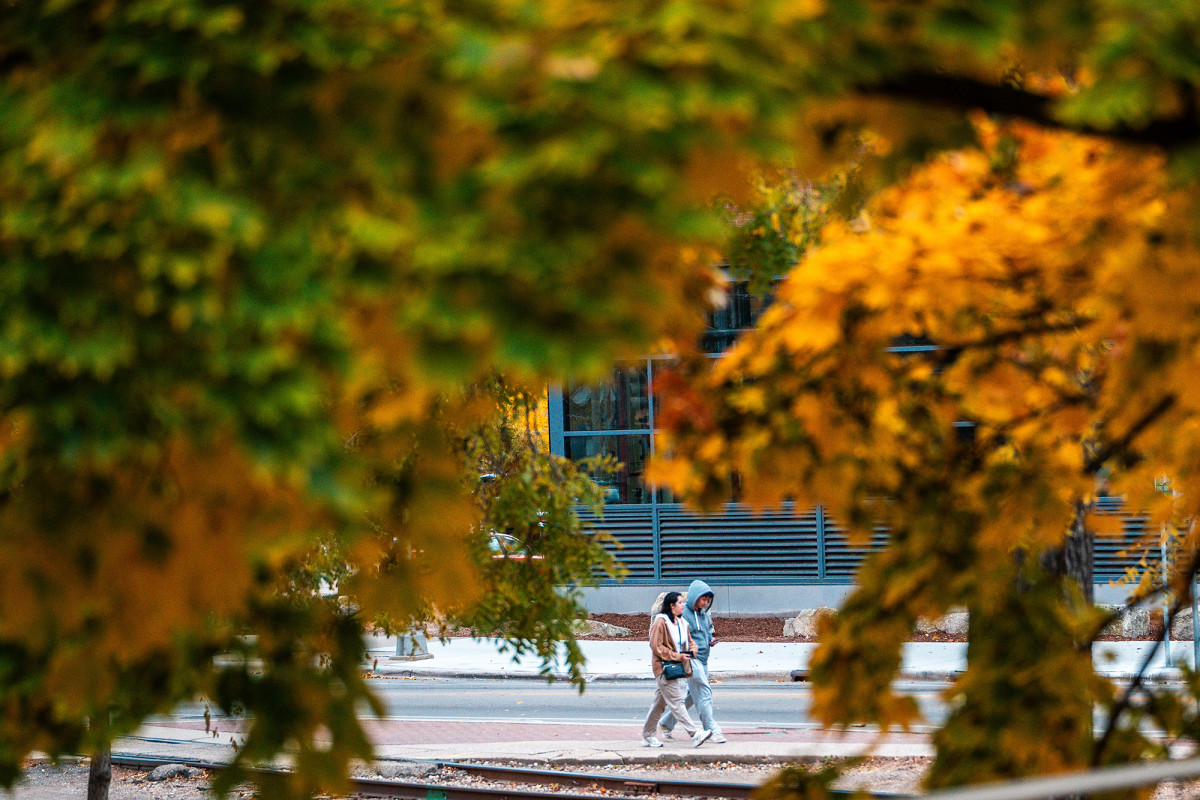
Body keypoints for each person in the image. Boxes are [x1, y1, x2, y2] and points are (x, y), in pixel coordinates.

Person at [640, 592, 713, 748]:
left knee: (659, 704)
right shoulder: (661, 622)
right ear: (671, 605)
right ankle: (695, 733)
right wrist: (677, 656)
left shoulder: (682, 622)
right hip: (663, 668)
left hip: (677, 667)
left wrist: (692, 651)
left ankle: (647, 735)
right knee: (677, 702)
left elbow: (690, 642)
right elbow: (656, 646)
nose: (682, 605)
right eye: (680, 602)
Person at [657, 579, 725, 743]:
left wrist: (710, 639)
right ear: (695, 597)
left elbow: (705, 632)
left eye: (708, 600)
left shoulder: (704, 614)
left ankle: (666, 723)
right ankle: (711, 729)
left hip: (703, 658)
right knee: (704, 692)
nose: (706, 602)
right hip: (690, 658)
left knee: (692, 696)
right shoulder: (683, 613)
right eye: (703, 599)